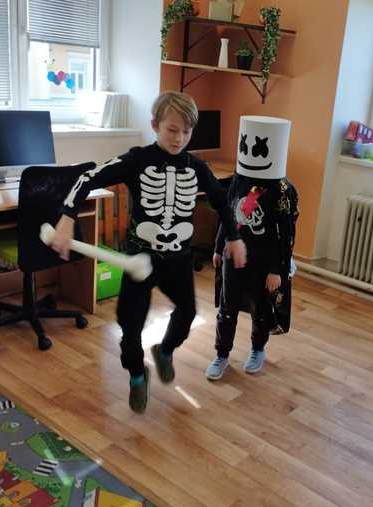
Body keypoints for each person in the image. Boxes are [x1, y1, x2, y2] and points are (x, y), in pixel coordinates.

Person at [50, 91, 246, 412]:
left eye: (186, 131)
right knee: (130, 327)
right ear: (155, 125)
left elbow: (222, 201)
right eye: (172, 130)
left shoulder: (196, 167)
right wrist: (66, 217)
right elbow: (87, 177)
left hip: (178, 259)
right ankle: (137, 375)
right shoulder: (137, 160)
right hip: (140, 261)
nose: (179, 138)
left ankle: (164, 350)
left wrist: (234, 238)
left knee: (187, 313)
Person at [207, 116, 298, 381]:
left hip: (263, 262)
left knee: (261, 310)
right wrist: (218, 247)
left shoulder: (282, 190)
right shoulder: (239, 179)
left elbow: (285, 235)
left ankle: (258, 349)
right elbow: (227, 215)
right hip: (233, 257)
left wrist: (276, 270)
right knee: (227, 308)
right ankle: (222, 354)